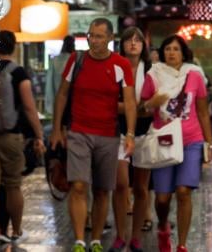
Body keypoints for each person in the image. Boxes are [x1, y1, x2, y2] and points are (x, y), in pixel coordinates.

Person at [49, 18, 137, 252]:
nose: (93, 40)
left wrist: (130, 134)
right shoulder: (76, 60)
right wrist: (57, 128)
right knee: (78, 185)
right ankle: (79, 240)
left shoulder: (121, 65)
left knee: (101, 189)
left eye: (99, 36)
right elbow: (62, 94)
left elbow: (129, 101)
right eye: (91, 35)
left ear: (110, 38)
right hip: (79, 131)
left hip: (108, 135)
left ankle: (96, 239)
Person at [139, 35, 212, 252]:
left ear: (184, 53)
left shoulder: (194, 75)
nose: (171, 53)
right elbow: (143, 108)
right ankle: (163, 225)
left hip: (191, 140)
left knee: (183, 191)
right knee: (162, 198)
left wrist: (209, 143)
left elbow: (202, 112)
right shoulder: (154, 75)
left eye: (176, 49)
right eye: (168, 49)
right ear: (162, 53)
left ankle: (181, 244)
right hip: (164, 140)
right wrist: (151, 103)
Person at [0, 30, 45, 249]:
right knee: (13, 186)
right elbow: (29, 107)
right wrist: (39, 135)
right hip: (11, 137)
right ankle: (16, 231)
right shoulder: (18, 73)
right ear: (14, 47)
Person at [109, 27, 153, 252]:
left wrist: (138, 108)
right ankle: (120, 234)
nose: (133, 44)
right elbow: (108, 102)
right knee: (120, 183)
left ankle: (135, 235)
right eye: (129, 40)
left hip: (145, 131)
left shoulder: (151, 69)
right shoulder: (114, 68)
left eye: (137, 40)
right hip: (118, 131)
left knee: (141, 188)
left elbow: (156, 102)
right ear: (122, 44)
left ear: (143, 45)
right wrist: (131, 107)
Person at [45, 34, 76, 116]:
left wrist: (50, 105)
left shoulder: (54, 60)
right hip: (72, 101)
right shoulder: (75, 60)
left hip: (57, 100)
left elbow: (49, 83)